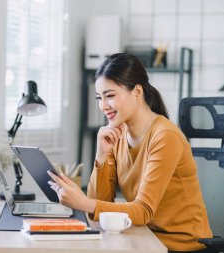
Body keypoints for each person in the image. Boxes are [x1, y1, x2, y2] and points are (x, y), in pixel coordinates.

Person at [47, 53, 213, 253]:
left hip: (181, 247)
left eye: (110, 95)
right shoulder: (118, 134)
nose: (103, 106)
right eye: (99, 98)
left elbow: (142, 211)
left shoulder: (165, 136)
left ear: (137, 92)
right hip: (142, 238)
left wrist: (82, 202)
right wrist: (101, 157)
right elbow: (99, 207)